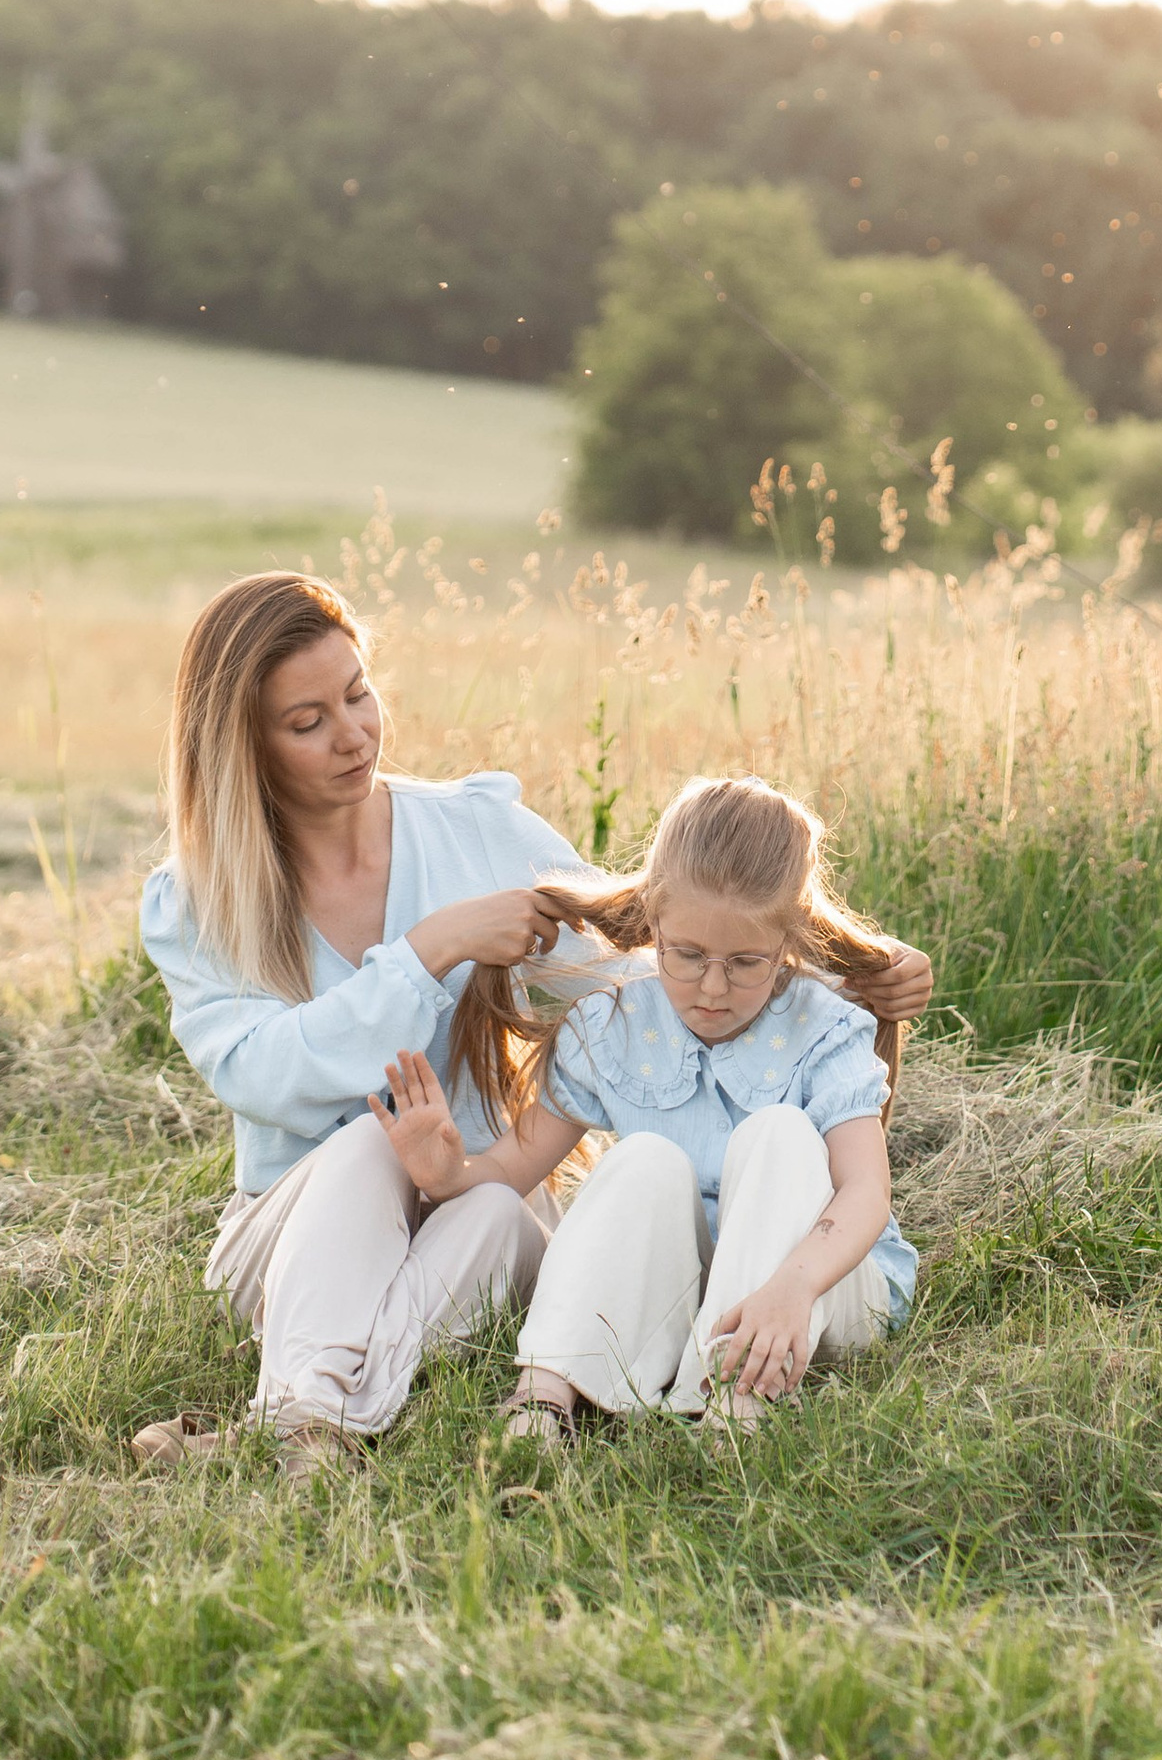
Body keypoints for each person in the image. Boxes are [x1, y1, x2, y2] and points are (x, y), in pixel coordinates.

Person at [132, 575, 930, 1478]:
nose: (353, 733)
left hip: (478, 1197)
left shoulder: (477, 830)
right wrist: (432, 949)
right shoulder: (200, 898)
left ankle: (299, 1425)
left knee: (493, 1212)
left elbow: (654, 958)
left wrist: (844, 976)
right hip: (300, 1238)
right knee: (366, 1148)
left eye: (358, 694)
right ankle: (302, 1419)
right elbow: (258, 1072)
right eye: (307, 722)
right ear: (245, 747)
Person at [371, 770, 917, 1437]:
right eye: (687, 954)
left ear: (788, 942)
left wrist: (794, 1287)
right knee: (640, 1159)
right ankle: (545, 1397)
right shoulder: (617, 1022)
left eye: (747, 962)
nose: (712, 988)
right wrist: (446, 1174)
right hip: (694, 1293)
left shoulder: (823, 1027)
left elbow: (865, 1192)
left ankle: (737, 1401)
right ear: (654, 919)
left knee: (779, 1132)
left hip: (822, 1291)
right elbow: (512, 1168)